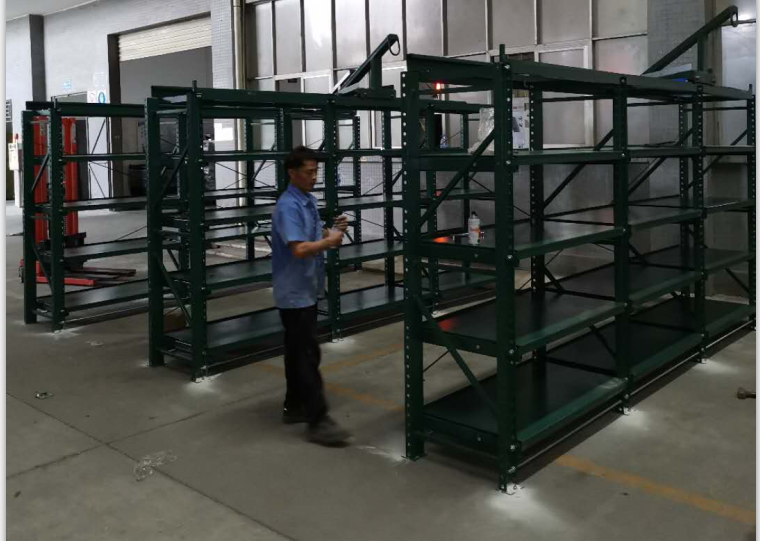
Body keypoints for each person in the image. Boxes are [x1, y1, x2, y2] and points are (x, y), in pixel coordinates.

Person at [272, 145, 351, 446]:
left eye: (316, 171)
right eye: (309, 172)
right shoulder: (287, 206)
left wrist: (332, 231)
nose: (314, 177)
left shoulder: (307, 201)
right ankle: (318, 420)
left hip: (306, 288)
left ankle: (293, 407)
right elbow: (299, 248)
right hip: (294, 293)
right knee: (307, 354)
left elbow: (314, 237)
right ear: (292, 173)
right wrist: (329, 242)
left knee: (296, 352)